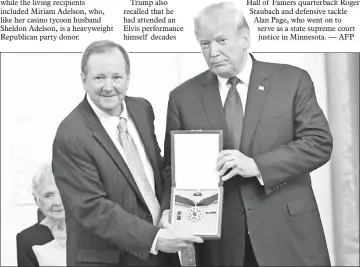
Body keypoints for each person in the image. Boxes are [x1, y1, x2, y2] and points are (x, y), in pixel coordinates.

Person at [163, 2, 333, 266]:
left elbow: (318, 143)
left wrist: (257, 165)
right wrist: (169, 210)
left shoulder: (293, 80)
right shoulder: (182, 97)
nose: (213, 52)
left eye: (221, 40)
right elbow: (172, 169)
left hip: (288, 235)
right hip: (223, 246)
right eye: (205, 44)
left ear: (245, 38)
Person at [52, 40, 202, 266]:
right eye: (99, 77)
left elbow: (157, 171)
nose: (109, 86)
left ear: (128, 78)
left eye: (116, 77)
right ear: (83, 80)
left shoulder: (142, 109)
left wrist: (168, 209)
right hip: (111, 259)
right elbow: (93, 208)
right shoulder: (71, 134)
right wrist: (154, 239)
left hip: (159, 255)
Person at [16, 163, 66, 266]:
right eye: (48, 195)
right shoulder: (26, 239)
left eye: (63, 192)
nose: (58, 202)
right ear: (37, 200)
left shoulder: (92, 230)